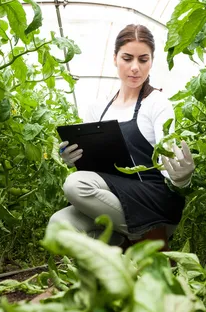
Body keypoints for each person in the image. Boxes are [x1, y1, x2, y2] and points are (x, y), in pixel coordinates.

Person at [48, 24, 195, 249]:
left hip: (153, 199)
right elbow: (92, 168)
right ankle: (125, 247)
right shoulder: (98, 108)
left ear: (151, 61)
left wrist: (182, 177)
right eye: (127, 58)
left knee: (75, 185)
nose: (135, 68)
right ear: (115, 58)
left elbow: (168, 166)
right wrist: (73, 159)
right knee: (58, 225)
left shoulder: (157, 103)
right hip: (113, 197)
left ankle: (150, 237)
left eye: (143, 59)